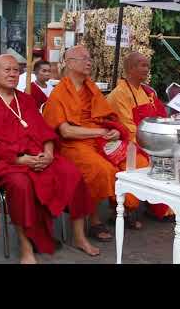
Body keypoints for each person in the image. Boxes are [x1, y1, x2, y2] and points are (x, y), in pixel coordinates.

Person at [0, 54, 99, 264]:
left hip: (39, 156)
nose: (12, 74)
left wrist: (47, 152)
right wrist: (20, 159)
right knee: (21, 185)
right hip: (7, 163)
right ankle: (26, 247)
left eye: (15, 70)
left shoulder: (26, 100)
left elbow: (45, 131)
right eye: (6, 70)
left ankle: (80, 237)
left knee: (71, 172)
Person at [43, 45, 148, 240]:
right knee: (101, 170)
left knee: (137, 161)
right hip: (74, 145)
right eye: (83, 58)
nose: (89, 61)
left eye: (89, 57)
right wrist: (101, 131)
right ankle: (94, 220)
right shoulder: (59, 93)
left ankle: (124, 209)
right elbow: (66, 131)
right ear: (70, 63)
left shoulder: (91, 88)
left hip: (100, 140)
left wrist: (116, 131)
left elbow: (108, 117)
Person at [107, 52, 174, 222]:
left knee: (177, 152)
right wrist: (152, 146)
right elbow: (127, 127)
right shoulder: (119, 94)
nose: (147, 69)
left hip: (148, 138)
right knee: (143, 162)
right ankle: (127, 208)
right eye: (142, 65)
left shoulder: (147, 92)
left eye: (147, 65)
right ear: (130, 68)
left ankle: (166, 205)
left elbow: (159, 116)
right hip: (128, 141)